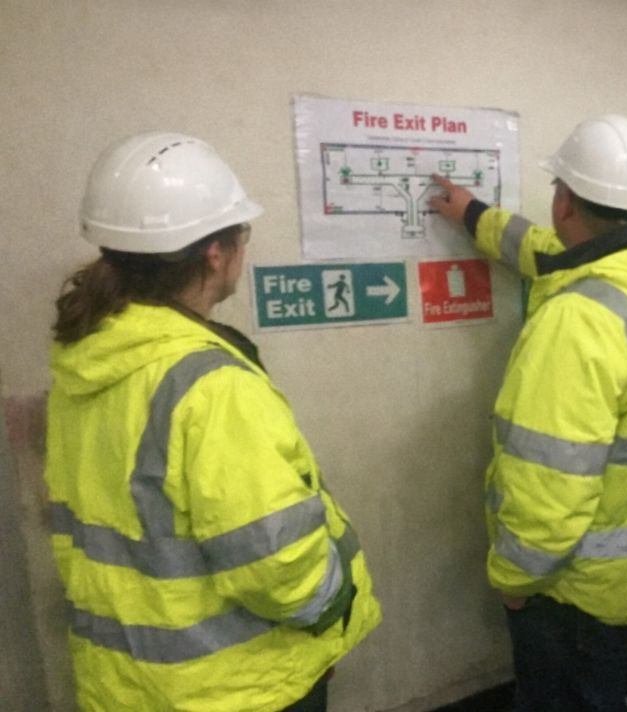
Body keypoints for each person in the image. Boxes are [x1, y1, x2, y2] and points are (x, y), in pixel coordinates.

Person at [45, 132, 381, 711]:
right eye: (241, 235)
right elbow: (276, 564)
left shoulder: (89, 361)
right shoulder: (211, 387)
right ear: (216, 254)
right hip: (237, 688)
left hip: (130, 686)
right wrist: (331, 601)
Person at [431, 114, 627, 711]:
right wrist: (474, 214)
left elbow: (547, 486)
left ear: (564, 204)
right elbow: (546, 254)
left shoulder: (577, 320)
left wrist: (514, 581)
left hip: (586, 601)